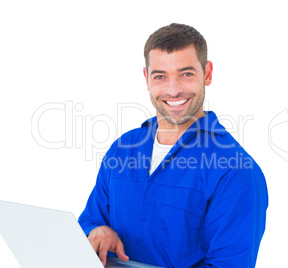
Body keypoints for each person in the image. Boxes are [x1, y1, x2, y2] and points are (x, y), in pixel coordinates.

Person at [78, 23, 268, 268]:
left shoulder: (234, 171)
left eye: (186, 74)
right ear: (147, 79)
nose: (173, 89)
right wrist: (98, 231)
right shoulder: (122, 150)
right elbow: (90, 221)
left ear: (207, 73)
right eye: (160, 76)